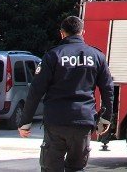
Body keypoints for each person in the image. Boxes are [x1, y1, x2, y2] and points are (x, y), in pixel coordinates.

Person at [17, 16, 114, 172]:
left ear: (62, 33)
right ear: (83, 32)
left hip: (56, 121)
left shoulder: (53, 56)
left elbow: (35, 91)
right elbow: (108, 89)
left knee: (50, 168)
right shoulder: (97, 57)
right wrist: (105, 117)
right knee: (76, 168)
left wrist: (25, 122)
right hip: (83, 121)